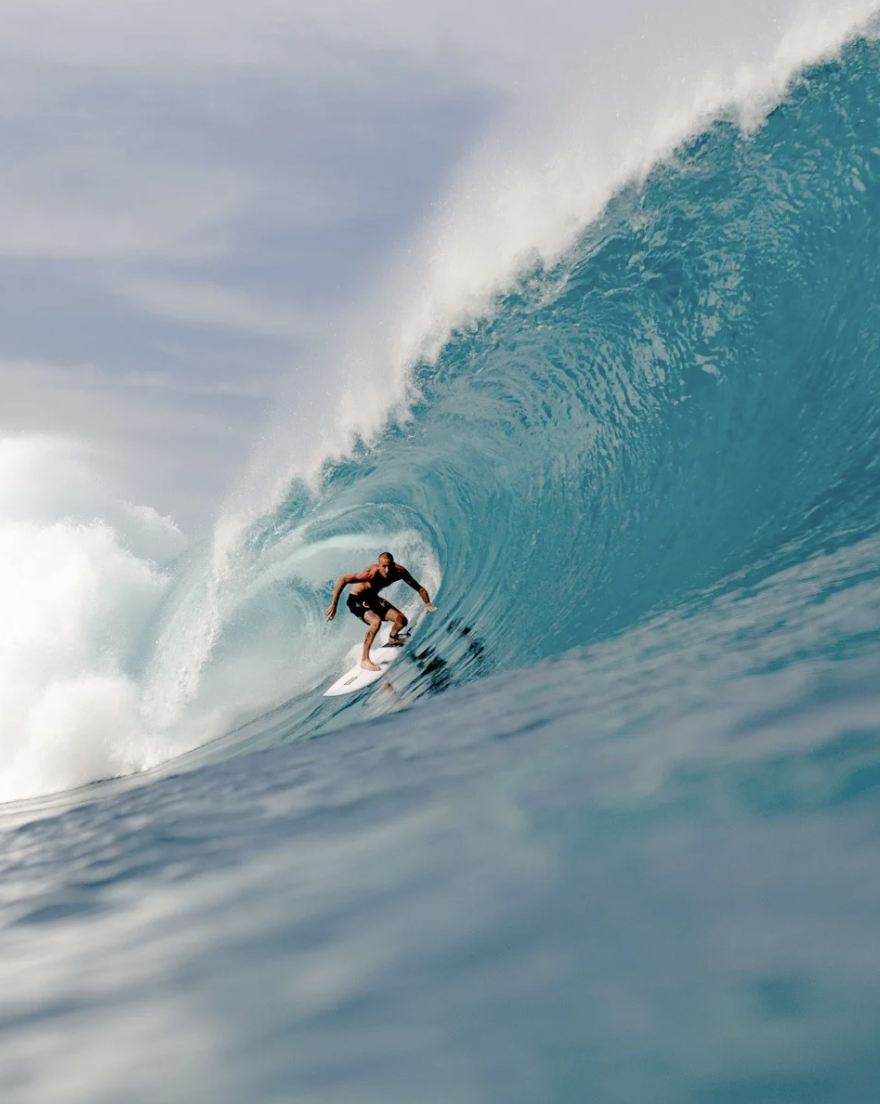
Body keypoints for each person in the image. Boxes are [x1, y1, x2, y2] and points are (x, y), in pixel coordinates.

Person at [326, 551, 437, 671]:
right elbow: (343, 579)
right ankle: (364, 660)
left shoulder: (399, 572)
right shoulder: (370, 574)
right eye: (384, 566)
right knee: (376, 622)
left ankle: (393, 637)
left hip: (373, 599)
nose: (387, 569)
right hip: (357, 600)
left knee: (402, 620)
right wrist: (334, 604)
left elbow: (419, 588)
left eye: (390, 565)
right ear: (379, 565)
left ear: (394, 564)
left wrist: (428, 604)